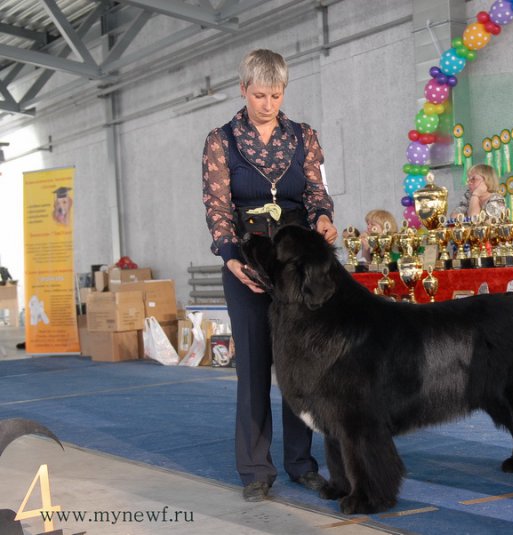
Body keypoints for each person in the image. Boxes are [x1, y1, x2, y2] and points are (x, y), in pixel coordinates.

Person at [202, 48, 338, 502]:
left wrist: (322, 219)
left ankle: (302, 463)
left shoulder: (304, 137)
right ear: (243, 90)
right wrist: (229, 256)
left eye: (275, 95)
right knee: (255, 369)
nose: (268, 104)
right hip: (249, 262)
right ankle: (255, 470)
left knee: (300, 369)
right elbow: (218, 208)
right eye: (259, 95)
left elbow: (317, 190)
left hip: (297, 266)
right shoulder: (221, 141)